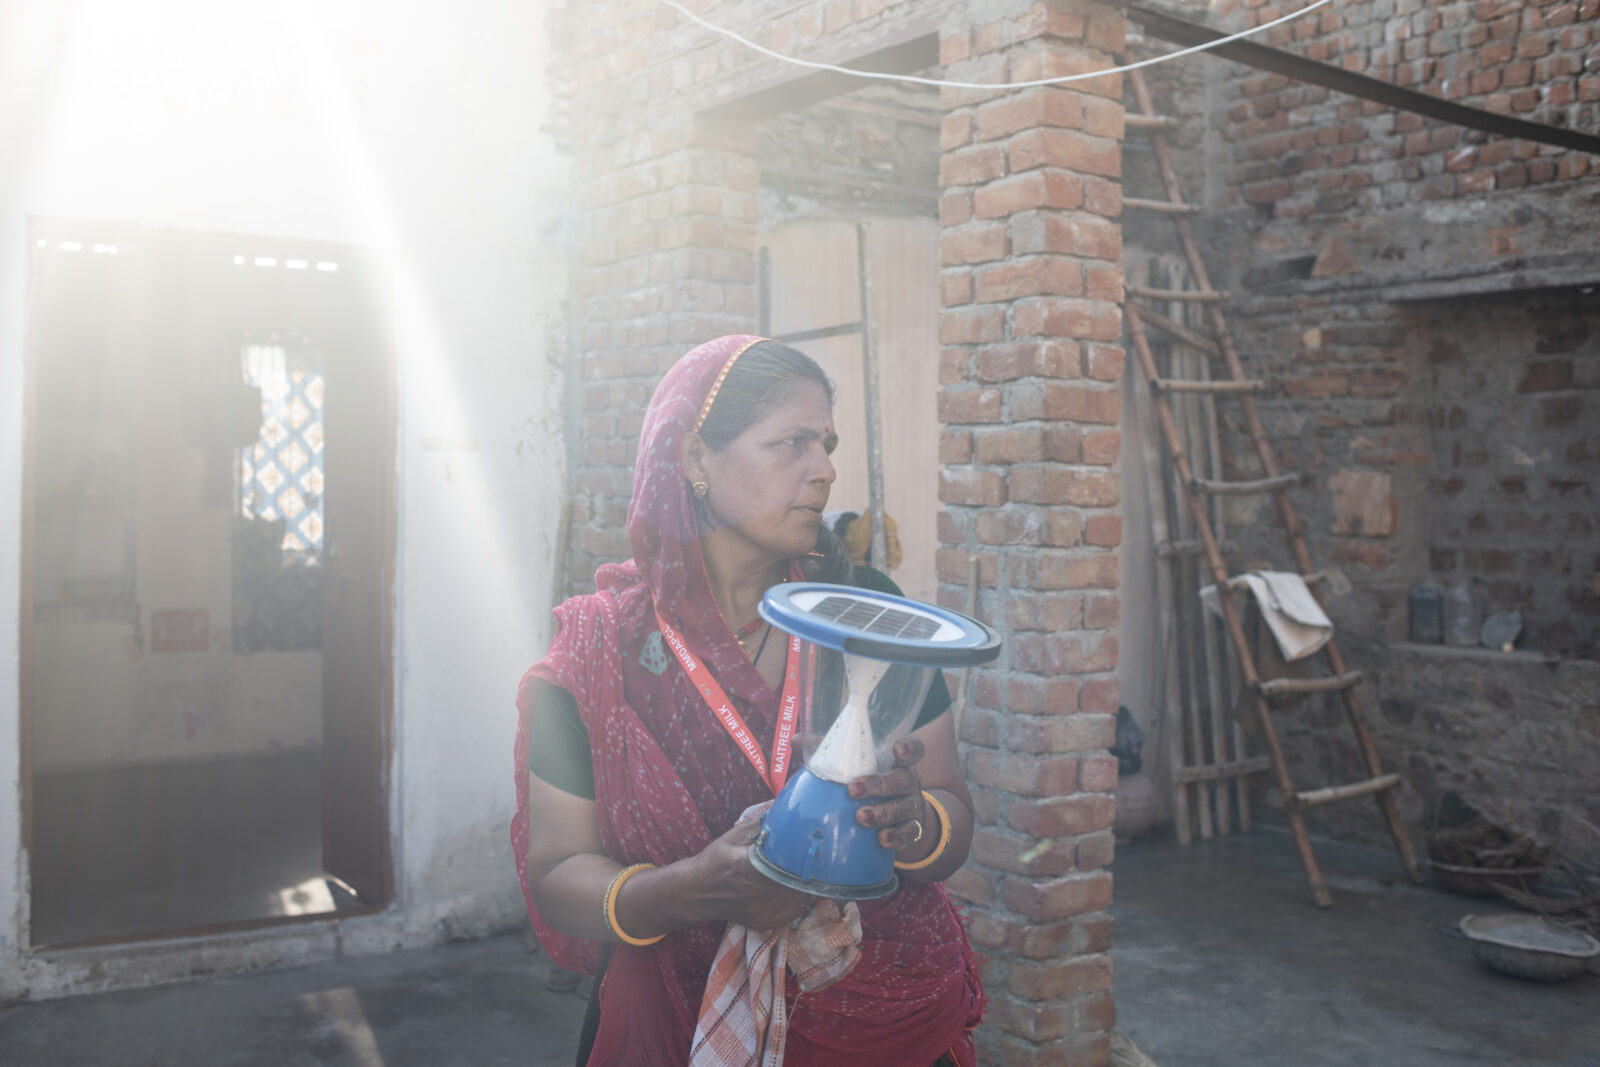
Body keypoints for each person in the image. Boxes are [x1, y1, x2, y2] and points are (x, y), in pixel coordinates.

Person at [512, 336, 985, 1066]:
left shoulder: (871, 615)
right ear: (697, 458)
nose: (825, 470)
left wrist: (916, 821)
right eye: (791, 442)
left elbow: (951, 807)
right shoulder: (597, 654)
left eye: (824, 444)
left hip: (878, 1021)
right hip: (672, 1020)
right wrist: (689, 891)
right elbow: (556, 873)